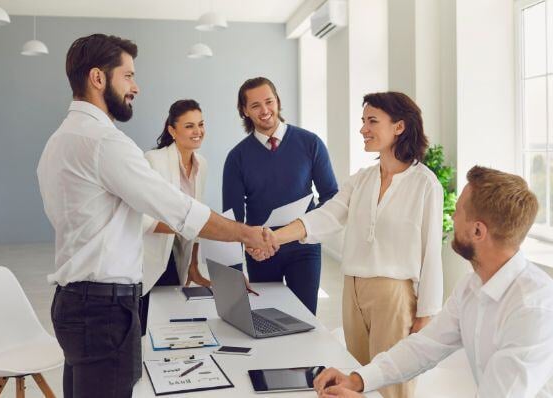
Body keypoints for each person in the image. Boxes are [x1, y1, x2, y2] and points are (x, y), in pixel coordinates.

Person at [37, 34, 277, 398]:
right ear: (98, 78)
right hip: (103, 309)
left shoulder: (59, 140)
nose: (136, 86)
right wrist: (247, 234)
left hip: (74, 302)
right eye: (128, 76)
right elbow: (179, 210)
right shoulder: (106, 143)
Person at [312, 166, 553, 398]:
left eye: (458, 210)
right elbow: (423, 348)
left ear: (478, 231)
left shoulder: (536, 313)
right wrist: (358, 379)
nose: (452, 216)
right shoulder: (473, 286)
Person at [268, 91, 444, 398]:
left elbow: (432, 253)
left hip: (393, 294)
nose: (363, 128)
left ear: (399, 127)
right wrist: (274, 237)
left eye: (372, 121)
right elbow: (327, 216)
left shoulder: (425, 184)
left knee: (393, 385)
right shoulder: (362, 179)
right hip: (353, 290)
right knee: (359, 378)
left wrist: (426, 313)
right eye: (363, 121)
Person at [222, 77, 338, 315]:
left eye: (269, 101)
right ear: (244, 111)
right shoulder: (237, 158)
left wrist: (307, 227)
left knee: (305, 319)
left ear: (278, 102)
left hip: (304, 248)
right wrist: (234, 271)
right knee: (268, 318)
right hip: (261, 252)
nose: (265, 110)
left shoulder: (310, 143)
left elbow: (330, 197)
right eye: (255, 105)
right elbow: (232, 219)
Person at [139, 99, 210, 335]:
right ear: (172, 129)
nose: (197, 131)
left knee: (169, 320)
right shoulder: (154, 160)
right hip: (152, 253)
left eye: (201, 124)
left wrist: (194, 265)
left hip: (178, 252)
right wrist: (187, 227)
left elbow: (198, 212)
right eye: (189, 126)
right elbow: (143, 218)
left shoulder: (202, 164)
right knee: (148, 320)